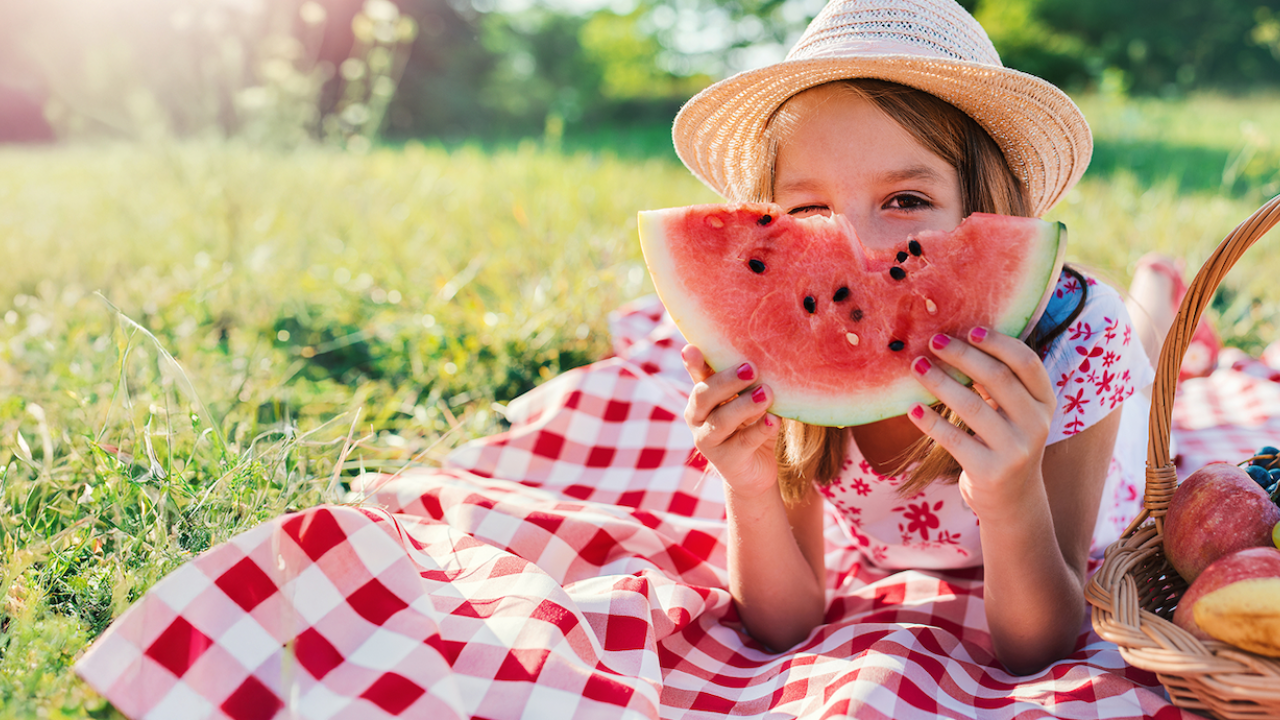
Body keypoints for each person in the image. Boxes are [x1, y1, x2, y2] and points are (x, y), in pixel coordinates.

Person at [671, 0, 1155, 675]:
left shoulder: (1078, 343)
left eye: (905, 201)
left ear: (985, 210)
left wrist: (1012, 494)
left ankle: (1158, 294)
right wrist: (747, 489)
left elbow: (1037, 647)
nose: (862, 251)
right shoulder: (776, 344)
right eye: (810, 212)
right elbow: (782, 625)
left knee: (1150, 357)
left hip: (1096, 413)